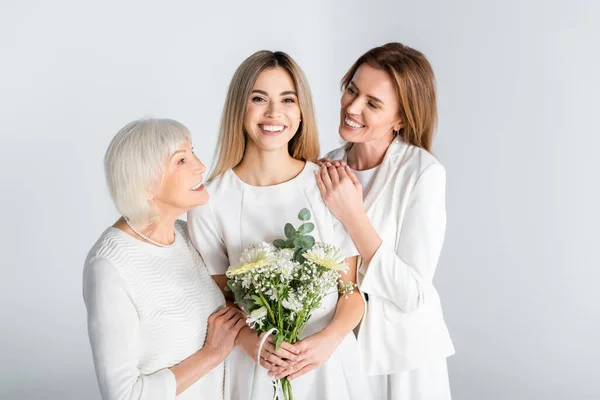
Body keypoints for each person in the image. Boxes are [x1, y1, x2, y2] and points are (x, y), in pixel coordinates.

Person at [188, 51, 370, 400]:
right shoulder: (211, 201)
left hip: (328, 366)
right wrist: (255, 344)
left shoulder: (326, 185)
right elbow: (221, 301)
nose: (274, 113)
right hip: (257, 368)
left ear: (301, 111)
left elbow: (351, 292)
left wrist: (327, 342)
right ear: (239, 108)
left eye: (288, 99)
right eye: (259, 99)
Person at [316, 43, 455, 399]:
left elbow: (412, 294)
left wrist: (353, 215)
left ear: (401, 119)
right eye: (352, 90)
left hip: (403, 361)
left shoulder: (422, 173)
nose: (352, 107)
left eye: (372, 103)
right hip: (338, 350)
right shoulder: (324, 168)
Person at [83, 118, 246, 400]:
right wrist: (211, 354)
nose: (201, 166)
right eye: (181, 161)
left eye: (192, 152)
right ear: (146, 185)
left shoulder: (188, 236)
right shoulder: (109, 267)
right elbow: (124, 395)